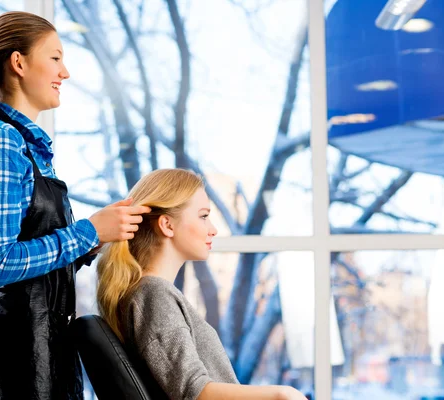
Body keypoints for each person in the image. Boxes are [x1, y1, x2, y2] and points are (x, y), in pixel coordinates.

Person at [0, 11, 150, 400]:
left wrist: (100, 236)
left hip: (43, 344)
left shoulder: (29, 147)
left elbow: (39, 261)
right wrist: (87, 230)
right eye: (55, 57)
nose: (65, 72)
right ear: (18, 63)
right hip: (12, 353)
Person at [97, 169, 307, 400]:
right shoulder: (153, 295)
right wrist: (281, 393)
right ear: (167, 225)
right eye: (204, 216)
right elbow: (196, 393)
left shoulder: (149, 294)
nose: (213, 229)